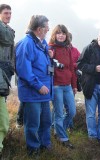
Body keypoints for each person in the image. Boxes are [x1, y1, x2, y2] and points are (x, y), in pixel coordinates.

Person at [15, 15, 53, 157]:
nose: (48, 29)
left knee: (46, 121)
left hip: (44, 92)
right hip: (33, 92)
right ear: (39, 29)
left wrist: (50, 56)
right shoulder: (26, 44)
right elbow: (24, 70)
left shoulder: (42, 43)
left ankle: (45, 144)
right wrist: (38, 86)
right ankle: (33, 149)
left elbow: (44, 66)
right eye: (46, 27)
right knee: (32, 124)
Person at [49, 24, 77, 149]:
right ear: (54, 35)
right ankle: (63, 138)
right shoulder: (50, 48)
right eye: (58, 33)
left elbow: (72, 68)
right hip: (56, 85)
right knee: (59, 113)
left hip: (67, 85)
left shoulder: (68, 49)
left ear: (66, 36)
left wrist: (74, 85)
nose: (61, 35)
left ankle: (58, 130)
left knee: (72, 112)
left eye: (63, 33)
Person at [0, 4, 15, 158]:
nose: (9, 16)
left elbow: (11, 53)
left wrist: (12, 68)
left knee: (2, 103)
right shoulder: (4, 30)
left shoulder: (8, 29)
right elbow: (6, 40)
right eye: (6, 13)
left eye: (10, 13)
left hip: (5, 72)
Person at [66, 32, 81, 133]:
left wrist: (73, 65)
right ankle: (55, 127)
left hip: (73, 82)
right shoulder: (57, 49)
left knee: (70, 106)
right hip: (60, 81)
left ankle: (69, 126)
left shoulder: (75, 50)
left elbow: (81, 62)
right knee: (58, 107)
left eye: (68, 38)